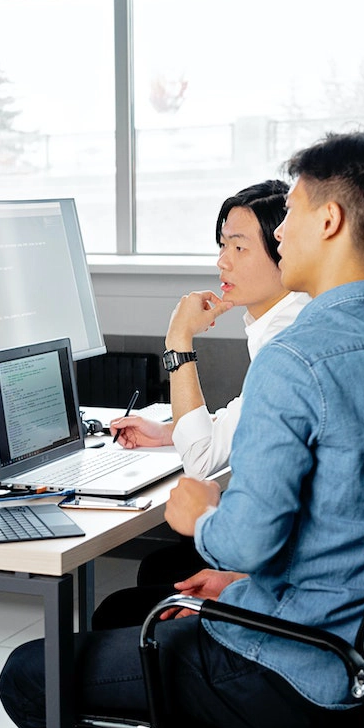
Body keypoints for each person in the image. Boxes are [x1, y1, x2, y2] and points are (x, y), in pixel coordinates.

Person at [0, 131, 364, 728]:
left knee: (29, 675)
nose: (281, 231)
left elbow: (247, 538)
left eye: (288, 214)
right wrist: (242, 585)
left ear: (330, 220)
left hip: (286, 667)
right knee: (123, 619)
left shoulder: (296, 357)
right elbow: (353, 523)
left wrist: (201, 516)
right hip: (357, 648)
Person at [93, 180, 309, 630]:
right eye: (221, 244)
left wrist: (179, 340)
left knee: (124, 604)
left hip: (285, 575)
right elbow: (248, 420)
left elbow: (202, 462)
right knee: (159, 569)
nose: (222, 261)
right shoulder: (293, 321)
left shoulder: (286, 343)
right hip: (293, 554)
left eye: (239, 247)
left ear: (283, 250)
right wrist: (170, 431)